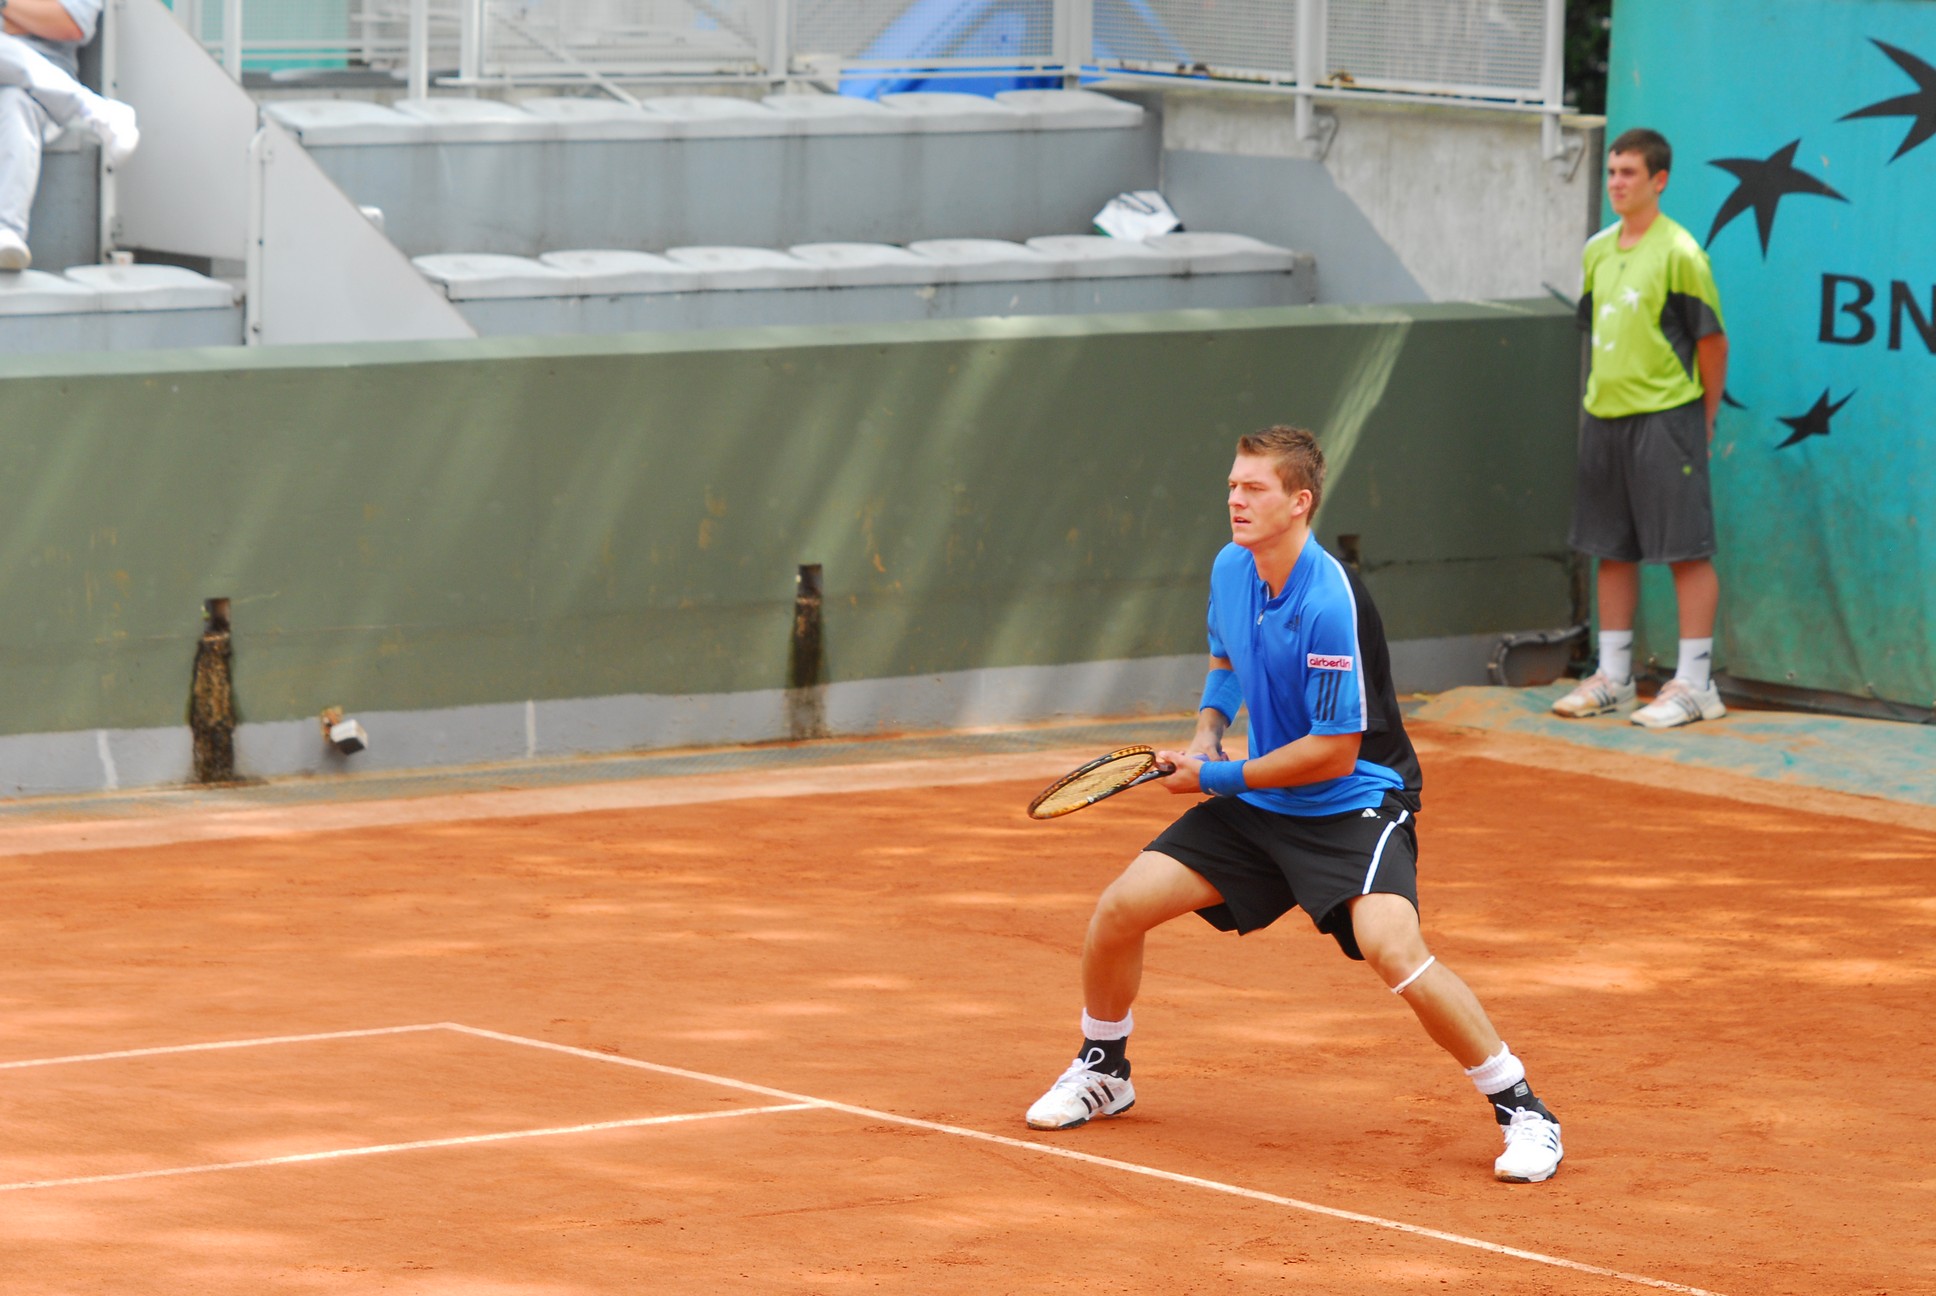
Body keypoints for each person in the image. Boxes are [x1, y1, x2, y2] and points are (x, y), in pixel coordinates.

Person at [1023, 426, 1565, 1185]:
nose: (1235, 501)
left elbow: (1335, 752)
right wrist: (1209, 733)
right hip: (1265, 800)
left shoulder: (1328, 601)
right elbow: (1224, 662)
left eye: (1254, 489)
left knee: (1393, 951)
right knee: (1119, 909)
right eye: (1232, 487)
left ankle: (1524, 1110)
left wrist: (1215, 778)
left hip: (1353, 799)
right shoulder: (1232, 568)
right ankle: (1104, 1068)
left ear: (1298, 502)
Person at [1551, 128, 1729, 730]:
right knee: (1611, 548)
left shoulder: (1681, 253)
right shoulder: (1597, 250)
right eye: (1612, 172)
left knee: (1686, 550)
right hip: (1605, 417)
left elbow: (1711, 341)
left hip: (1666, 416)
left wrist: (1701, 417)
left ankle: (1696, 684)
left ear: (1660, 181)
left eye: (1630, 173)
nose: (1617, 183)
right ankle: (1615, 676)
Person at [1, 0, 138, 272]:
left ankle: (6, 230)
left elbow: (72, 23)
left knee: (15, 105)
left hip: (36, 92)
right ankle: (94, 108)